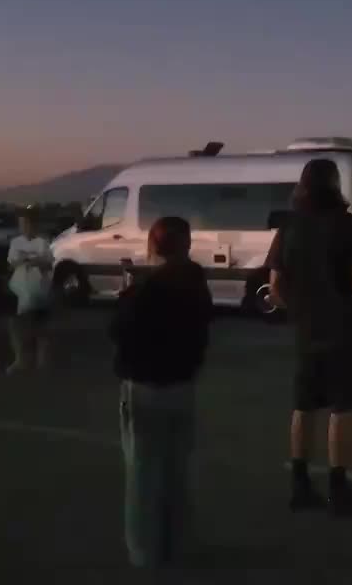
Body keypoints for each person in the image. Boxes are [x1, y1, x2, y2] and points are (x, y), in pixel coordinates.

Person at [266, 159, 352, 515]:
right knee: (343, 407)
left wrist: (297, 309)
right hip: (343, 330)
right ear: (334, 184)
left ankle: (300, 484)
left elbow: (275, 285)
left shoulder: (289, 227)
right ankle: (339, 488)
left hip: (306, 330)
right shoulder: (347, 226)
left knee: (305, 405)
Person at [110, 217, 212, 569]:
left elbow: (121, 332)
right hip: (183, 385)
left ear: (153, 245)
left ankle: (146, 552)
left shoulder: (145, 290)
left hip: (145, 387)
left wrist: (127, 293)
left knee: (143, 473)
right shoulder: (195, 282)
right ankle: (180, 544)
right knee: (177, 470)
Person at [6, 211, 54, 373]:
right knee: (17, 326)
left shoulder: (43, 242)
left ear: (35, 225)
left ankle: (42, 362)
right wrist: (22, 261)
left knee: (40, 327)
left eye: (27, 224)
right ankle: (20, 360)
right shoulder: (15, 242)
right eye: (21, 224)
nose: (24, 228)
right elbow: (11, 264)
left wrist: (35, 261)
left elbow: (48, 264)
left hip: (39, 290)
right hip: (19, 291)